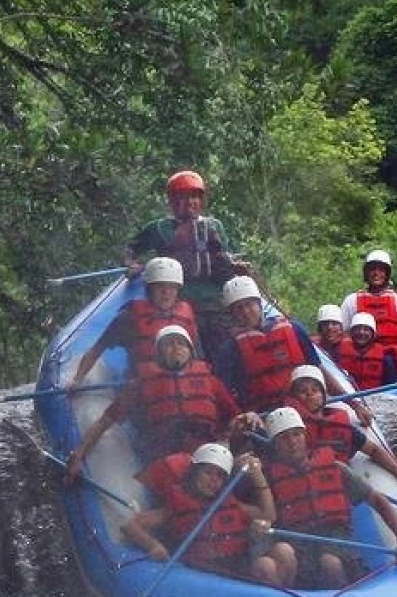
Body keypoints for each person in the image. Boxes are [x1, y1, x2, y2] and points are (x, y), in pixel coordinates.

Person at [261, 406, 397, 588]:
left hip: (336, 540)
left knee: (330, 562)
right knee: (289, 556)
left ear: (305, 436)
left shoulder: (336, 468)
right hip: (298, 544)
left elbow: (377, 500)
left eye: (296, 434)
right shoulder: (268, 479)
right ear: (275, 445)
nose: (292, 442)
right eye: (284, 438)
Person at [66, 324, 245, 477]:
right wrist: (79, 455)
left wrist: (246, 420)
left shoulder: (211, 382)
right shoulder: (141, 385)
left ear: (191, 352)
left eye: (181, 343)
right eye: (169, 345)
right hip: (166, 459)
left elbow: (237, 418)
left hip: (208, 459)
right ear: (159, 355)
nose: (176, 348)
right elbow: (105, 422)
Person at [122, 443, 296, 587]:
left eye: (220, 476)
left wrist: (258, 476)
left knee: (284, 551)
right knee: (265, 566)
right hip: (206, 577)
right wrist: (153, 545)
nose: (213, 480)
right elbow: (130, 526)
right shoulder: (177, 507)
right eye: (208, 472)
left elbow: (268, 516)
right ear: (194, 473)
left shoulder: (229, 504)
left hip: (239, 570)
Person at [124, 169, 245, 326]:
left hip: (216, 301)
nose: (190, 202)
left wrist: (235, 266)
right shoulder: (158, 228)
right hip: (176, 301)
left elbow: (225, 260)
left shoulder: (214, 226)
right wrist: (131, 264)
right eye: (183, 197)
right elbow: (129, 251)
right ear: (172, 201)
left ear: (201, 200)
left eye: (194, 197)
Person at [282, 365, 397, 498]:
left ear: (324, 395)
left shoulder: (339, 424)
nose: (309, 395)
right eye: (303, 391)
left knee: (375, 497)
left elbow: (374, 450)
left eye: (315, 390)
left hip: (336, 488)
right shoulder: (288, 428)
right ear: (294, 398)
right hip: (304, 489)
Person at [69, 257, 200, 387]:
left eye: (171, 287)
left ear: (178, 290)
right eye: (160, 287)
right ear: (149, 289)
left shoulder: (186, 317)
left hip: (181, 385)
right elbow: (96, 351)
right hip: (142, 388)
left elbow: (197, 357)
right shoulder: (128, 318)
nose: (166, 292)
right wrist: (77, 380)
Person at [208, 274, 320, 417]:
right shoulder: (229, 350)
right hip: (264, 415)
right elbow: (223, 394)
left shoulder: (294, 329)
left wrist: (353, 403)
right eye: (239, 308)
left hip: (305, 406)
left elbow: (318, 367)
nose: (246, 312)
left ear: (259, 304)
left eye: (249, 304)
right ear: (232, 314)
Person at [339, 249, 397, 348]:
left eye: (381, 270)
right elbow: (342, 332)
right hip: (360, 357)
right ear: (366, 273)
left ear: (387, 274)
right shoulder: (351, 301)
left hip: (391, 359)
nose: (376, 273)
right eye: (372, 269)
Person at [336, 312, 397, 392]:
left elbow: (391, 389)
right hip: (346, 399)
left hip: (376, 399)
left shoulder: (386, 359)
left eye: (366, 329)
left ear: (373, 334)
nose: (361, 332)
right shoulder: (338, 353)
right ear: (351, 332)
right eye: (357, 329)